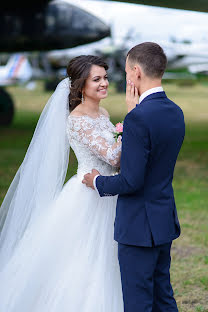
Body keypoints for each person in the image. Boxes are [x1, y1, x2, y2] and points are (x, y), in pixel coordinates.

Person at [0, 55, 125, 311]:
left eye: (105, 77)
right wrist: (129, 130)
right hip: (89, 195)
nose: (104, 83)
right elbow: (113, 155)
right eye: (97, 79)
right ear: (81, 85)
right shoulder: (77, 120)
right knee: (87, 258)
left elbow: (115, 160)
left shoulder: (102, 112)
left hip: (109, 188)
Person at [83, 42, 185, 312]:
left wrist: (96, 181)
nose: (126, 77)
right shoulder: (175, 112)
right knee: (163, 296)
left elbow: (130, 180)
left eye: (127, 71)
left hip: (139, 227)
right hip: (163, 219)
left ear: (137, 72)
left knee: (138, 302)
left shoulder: (139, 118)